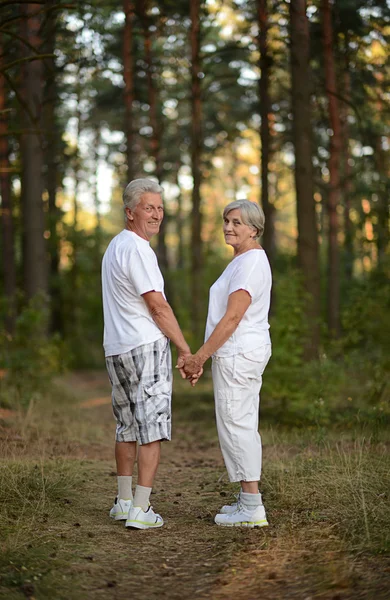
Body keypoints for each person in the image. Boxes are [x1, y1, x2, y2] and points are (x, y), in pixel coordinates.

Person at [102, 178, 197, 530]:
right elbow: (157, 307)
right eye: (148, 208)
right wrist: (186, 350)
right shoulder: (139, 249)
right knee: (152, 428)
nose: (156, 215)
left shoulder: (116, 246)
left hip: (116, 348)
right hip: (143, 347)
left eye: (159, 208)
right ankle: (141, 509)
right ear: (130, 213)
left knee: (126, 426)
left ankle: (123, 502)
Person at [179, 199, 272, 527]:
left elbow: (233, 317)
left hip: (239, 353)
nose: (228, 227)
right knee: (238, 422)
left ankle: (252, 507)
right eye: (226, 220)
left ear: (254, 229)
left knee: (237, 424)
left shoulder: (249, 263)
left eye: (236, 222)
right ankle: (248, 500)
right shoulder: (242, 260)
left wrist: (199, 357)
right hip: (236, 353)